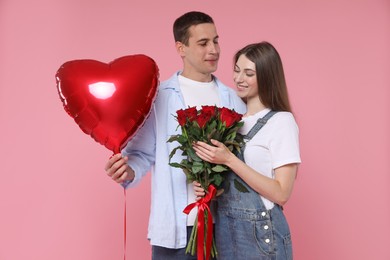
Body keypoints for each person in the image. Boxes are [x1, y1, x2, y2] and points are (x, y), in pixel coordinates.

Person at [104, 11, 246, 259]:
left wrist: (220, 187)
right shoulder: (160, 97)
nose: (213, 49)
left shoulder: (233, 99)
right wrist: (128, 171)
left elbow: (243, 162)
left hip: (224, 227)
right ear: (181, 48)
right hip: (176, 229)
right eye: (203, 43)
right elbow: (141, 154)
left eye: (216, 40)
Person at [193, 41, 301, 259]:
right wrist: (209, 191)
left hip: (261, 234)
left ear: (267, 76)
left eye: (249, 73)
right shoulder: (233, 122)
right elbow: (234, 186)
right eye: (236, 70)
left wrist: (229, 159)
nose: (239, 79)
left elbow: (281, 193)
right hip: (226, 231)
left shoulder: (281, 121)